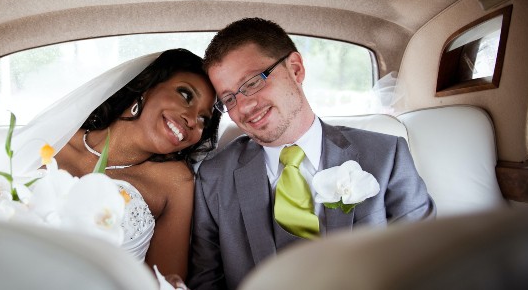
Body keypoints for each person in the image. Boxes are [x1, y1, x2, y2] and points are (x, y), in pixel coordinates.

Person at [186, 18, 435, 290]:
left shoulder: (386, 156)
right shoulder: (214, 178)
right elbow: (206, 281)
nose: (244, 107)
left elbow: (425, 264)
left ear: (295, 69)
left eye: (253, 83)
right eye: (229, 99)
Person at [53, 48, 222, 280]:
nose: (193, 120)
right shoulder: (55, 140)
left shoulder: (175, 182)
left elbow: (166, 282)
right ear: (147, 85)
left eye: (204, 119)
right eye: (185, 95)